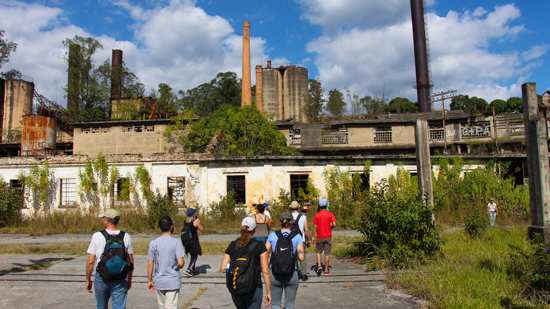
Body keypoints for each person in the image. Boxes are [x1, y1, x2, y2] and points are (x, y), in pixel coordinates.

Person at [86, 209, 134, 309]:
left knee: (101, 306)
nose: (102, 220)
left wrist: (88, 279)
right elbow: (130, 261)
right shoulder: (126, 236)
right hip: (120, 278)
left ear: (107, 220)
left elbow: (90, 262)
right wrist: (129, 279)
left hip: (102, 277)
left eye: (103, 218)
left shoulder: (97, 236)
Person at [220, 216, 272, 309]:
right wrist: (268, 292)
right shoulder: (259, 246)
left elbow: (223, 268)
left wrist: (232, 266)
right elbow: (265, 271)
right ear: (254, 230)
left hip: (236, 288)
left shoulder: (232, 245)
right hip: (254, 287)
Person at [266, 212, 305, 309]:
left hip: (275, 273)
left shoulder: (272, 235)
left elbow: (265, 253)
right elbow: (301, 258)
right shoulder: (297, 236)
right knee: (290, 303)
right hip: (292, 272)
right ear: (291, 222)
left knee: (275, 303)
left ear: (280, 222)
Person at [147, 216, 185, 309]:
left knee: (162, 306)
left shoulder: (153, 243)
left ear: (160, 227)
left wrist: (149, 280)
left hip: (159, 282)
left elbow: (150, 263)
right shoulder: (176, 242)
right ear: (171, 227)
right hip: (172, 281)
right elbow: (180, 263)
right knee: (171, 306)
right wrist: (180, 264)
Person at [313, 197, 336, 276]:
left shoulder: (317, 215)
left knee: (318, 252)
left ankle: (319, 266)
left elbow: (315, 227)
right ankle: (326, 269)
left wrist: (313, 236)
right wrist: (330, 228)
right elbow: (334, 224)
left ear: (319, 205)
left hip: (319, 236)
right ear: (326, 205)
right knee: (327, 253)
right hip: (328, 236)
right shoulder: (330, 214)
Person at [290, 200, 310, 281]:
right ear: (298, 207)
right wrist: (308, 240)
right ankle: (304, 274)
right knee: (303, 258)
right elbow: (306, 230)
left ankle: (296, 274)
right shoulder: (303, 217)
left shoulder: (288, 216)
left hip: (291, 240)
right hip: (301, 240)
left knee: (293, 257)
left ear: (291, 208)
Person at [181, 207, 203, 277]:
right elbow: (202, 229)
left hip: (187, 242)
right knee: (195, 255)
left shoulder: (186, 221)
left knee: (192, 255)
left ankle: (193, 269)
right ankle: (189, 270)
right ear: (193, 214)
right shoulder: (195, 221)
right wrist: (199, 222)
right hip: (193, 241)